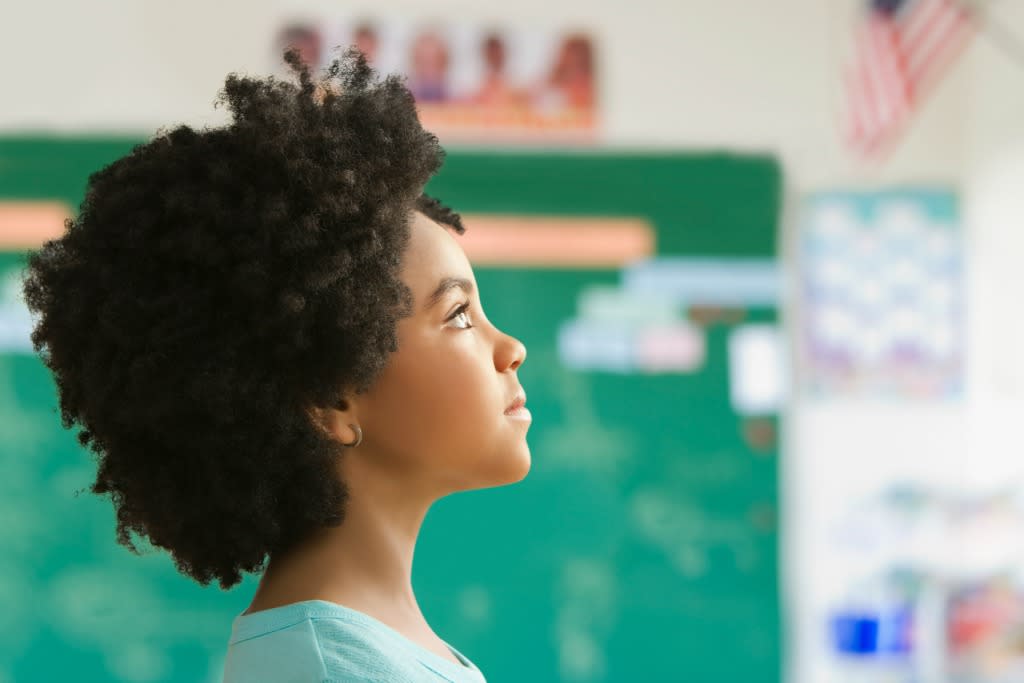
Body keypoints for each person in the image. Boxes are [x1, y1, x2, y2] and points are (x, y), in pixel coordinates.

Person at [20, 47, 531, 683]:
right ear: (331, 399)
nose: (511, 347)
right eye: (458, 314)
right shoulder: (336, 670)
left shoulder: (366, 648)